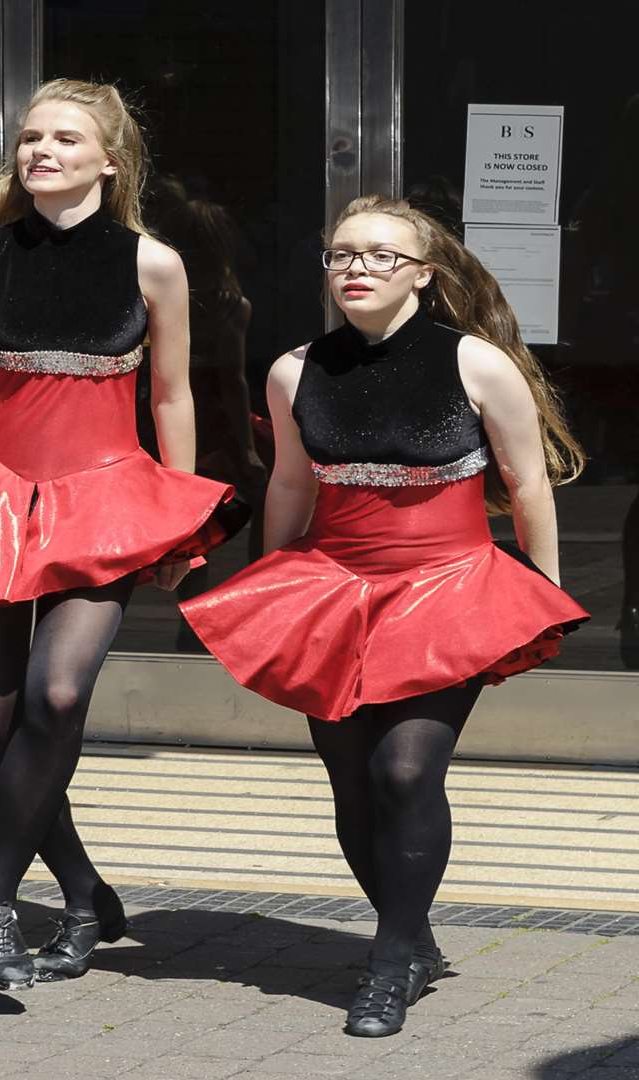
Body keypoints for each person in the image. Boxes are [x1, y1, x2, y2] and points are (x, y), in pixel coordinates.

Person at [181, 196, 588, 1036]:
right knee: (352, 782)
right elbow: (292, 483)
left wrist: (542, 594)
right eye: (341, 255)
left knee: (406, 771)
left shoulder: (476, 363)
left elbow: (527, 483)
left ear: (423, 275)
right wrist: (269, 589)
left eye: (379, 256)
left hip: (450, 586)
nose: (356, 269)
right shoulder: (295, 368)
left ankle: (391, 960)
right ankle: (411, 931)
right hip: (332, 585)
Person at [0, 79, 242, 993]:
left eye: (66, 138)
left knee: (58, 690)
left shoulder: (154, 264)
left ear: (108, 161)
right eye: (31, 136)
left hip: (107, 498)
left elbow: (172, 395)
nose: (41, 150)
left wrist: (182, 514)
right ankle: (81, 892)